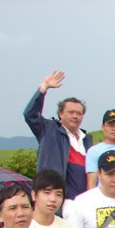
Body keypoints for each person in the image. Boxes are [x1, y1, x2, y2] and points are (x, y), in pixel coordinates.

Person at [23, 70, 93, 218]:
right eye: (71, 112)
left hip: (84, 205)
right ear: (61, 114)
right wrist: (43, 89)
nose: (75, 116)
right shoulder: (49, 130)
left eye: (79, 113)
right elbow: (30, 115)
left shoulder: (87, 140)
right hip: (58, 205)